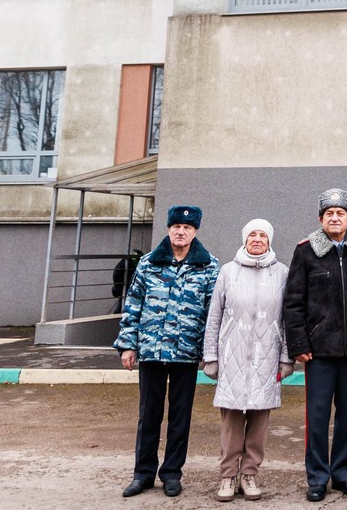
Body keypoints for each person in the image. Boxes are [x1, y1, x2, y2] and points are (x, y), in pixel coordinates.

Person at [114, 205, 220, 499]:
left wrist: (208, 350)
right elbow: (133, 304)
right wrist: (128, 345)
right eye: (176, 227)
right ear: (169, 229)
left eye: (187, 228)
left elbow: (212, 313)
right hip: (152, 349)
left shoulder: (209, 266)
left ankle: (172, 473)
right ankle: (143, 474)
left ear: (195, 231)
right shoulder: (149, 263)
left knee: (180, 417)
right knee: (148, 415)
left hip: (186, 352)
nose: (181, 232)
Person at [284, 188, 347, 502]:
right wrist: (299, 343)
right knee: (318, 417)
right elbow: (293, 302)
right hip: (318, 351)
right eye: (329, 214)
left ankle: (344, 475)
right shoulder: (306, 251)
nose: (334, 218)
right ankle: (318, 478)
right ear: (320, 218)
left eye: (340, 213)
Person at [203, 219, 295, 502]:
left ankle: (249, 474)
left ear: (270, 241)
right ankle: (228, 476)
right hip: (232, 358)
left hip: (266, 359)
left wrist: (286, 358)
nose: (257, 240)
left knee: (259, 424)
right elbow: (214, 317)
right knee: (231, 423)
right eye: (252, 235)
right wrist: (210, 356)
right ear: (244, 239)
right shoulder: (228, 272)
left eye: (262, 236)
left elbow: (287, 320)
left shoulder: (282, 273)